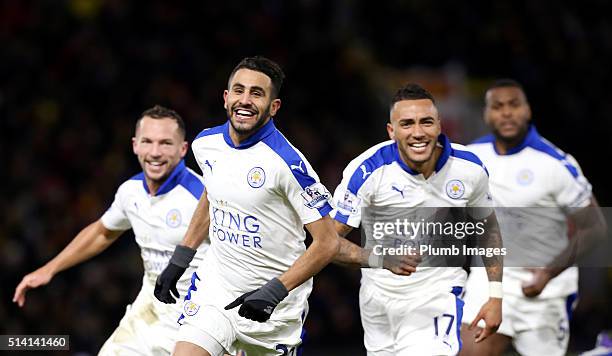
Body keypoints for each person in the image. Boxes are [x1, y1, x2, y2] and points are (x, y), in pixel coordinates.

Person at [154, 56, 340, 356]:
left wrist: (276, 289)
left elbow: (328, 242)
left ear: (273, 107)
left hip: (274, 309)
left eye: (257, 93)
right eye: (239, 90)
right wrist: (182, 256)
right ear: (226, 98)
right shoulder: (205, 144)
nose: (245, 100)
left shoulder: (288, 164)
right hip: (215, 290)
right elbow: (213, 195)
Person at [13, 105, 208, 355]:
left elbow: (240, 259)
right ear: (135, 145)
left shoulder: (202, 198)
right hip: (148, 315)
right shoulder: (131, 191)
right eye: (147, 142)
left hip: (195, 322)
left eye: (166, 143)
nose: (155, 152)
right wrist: (49, 269)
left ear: (182, 149)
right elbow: (102, 232)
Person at [330, 83, 504, 355]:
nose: (418, 133)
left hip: (438, 294)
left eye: (426, 122)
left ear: (439, 125)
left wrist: (495, 295)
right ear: (391, 131)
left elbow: (489, 230)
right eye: (407, 124)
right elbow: (327, 242)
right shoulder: (368, 170)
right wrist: (381, 261)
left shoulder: (469, 168)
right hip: (378, 300)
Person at [460, 79, 607, 356]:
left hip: (543, 291)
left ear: (528, 110)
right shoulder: (471, 157)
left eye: (514, 105)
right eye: (498, 106)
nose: (506, 113)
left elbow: (595, 228)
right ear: (486, 114)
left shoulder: (554, 163)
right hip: (489, 283)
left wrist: (547, 274)